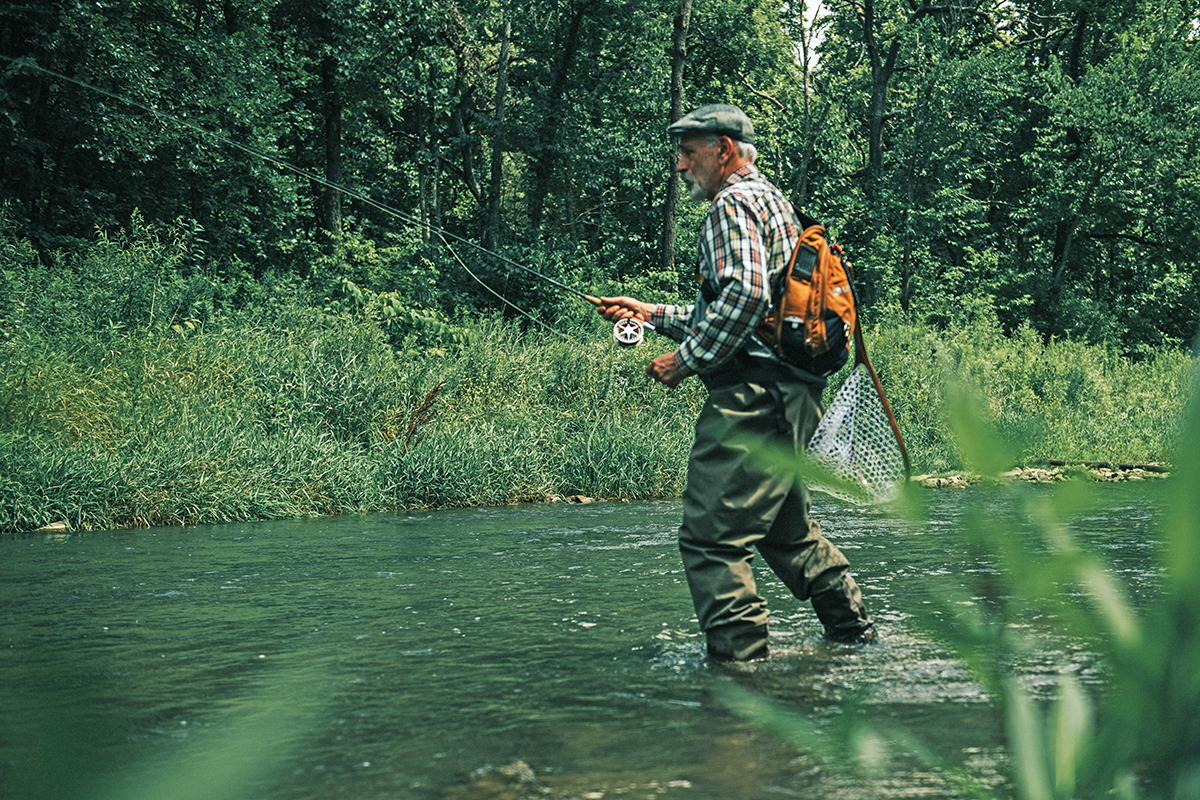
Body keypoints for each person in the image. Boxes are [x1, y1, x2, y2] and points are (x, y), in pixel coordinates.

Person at [597, 103, 874, 662]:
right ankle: (857, 637)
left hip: (751, 399)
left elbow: (744, 297)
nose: (681, 165)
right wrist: (650, 315)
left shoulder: (731, 204)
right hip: (792, 396)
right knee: (785, 533)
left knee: (711, 541)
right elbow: (756, 304)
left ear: (723, 150)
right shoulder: (774, 202)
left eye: (689, 152)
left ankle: (741, 679)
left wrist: (686, 359)